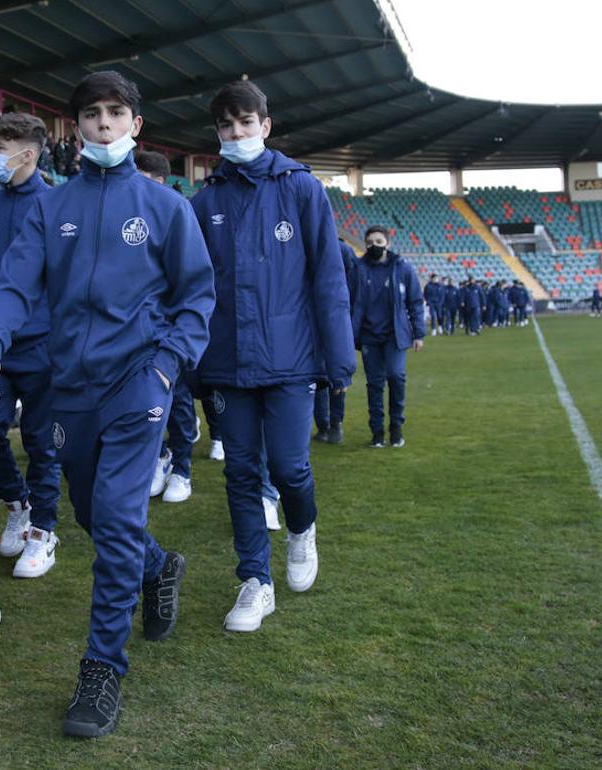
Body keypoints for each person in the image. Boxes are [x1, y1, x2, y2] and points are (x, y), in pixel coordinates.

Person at [0, 71, 214, 738]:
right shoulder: (50, 207)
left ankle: (101, 671)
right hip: (69, 388)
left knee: (111, 518)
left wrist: (166, 367)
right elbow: (14, 286)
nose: (104, 124)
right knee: (88, 511)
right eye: (92, 115)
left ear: (136, 124)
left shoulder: (167, 209)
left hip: (140, 384)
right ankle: (159, 566)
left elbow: (197, 298)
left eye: (116, 113)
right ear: (74, 128)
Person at [189, 80, 353, 635]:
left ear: (266, 125)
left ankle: (302, 532)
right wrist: (193, 361)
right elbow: (192, 288)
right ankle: (255, 582)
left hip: (291, 360)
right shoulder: (205, 199)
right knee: (240, 472)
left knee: (290, 467)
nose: (236, 134)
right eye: (226, 126)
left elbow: (328, 279)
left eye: (245, 123)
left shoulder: (303, 190)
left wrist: (338, 360)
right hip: (227, 363)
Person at [0, 112, 63, 577]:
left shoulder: (57, 205)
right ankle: (17, 504)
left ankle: (44, 532)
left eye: (0, 146)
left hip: (44, 346)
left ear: (28, 154)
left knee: (42, 443)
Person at [135, 148, 201, 503]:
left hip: (170, 331)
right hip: (135, 333)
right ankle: (160, 458)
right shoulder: (125, 213)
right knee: (142, 404)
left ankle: (183, 469)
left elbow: (190, 280)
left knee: (177, 401)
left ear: (160, 181)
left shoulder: (178, 213)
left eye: (144, 179)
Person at [349, 225, 425, 448]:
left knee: (396, 377)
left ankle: (396, 428)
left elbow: (415, 302)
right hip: (369, 336)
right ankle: (377, 432)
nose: (374, 246)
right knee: (374, 384)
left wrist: (419, 333)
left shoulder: (402, 268)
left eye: (378, 242)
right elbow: (350, 303)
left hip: (395, 336)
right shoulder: (358, 269)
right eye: (370, 242)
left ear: (387, 244)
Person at [315, 237, 356, 445]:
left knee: (323, 375)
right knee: (332, 372)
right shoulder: (344, 250)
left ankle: (327, 425)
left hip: (319, 317)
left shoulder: (339, 249)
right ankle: (332, 423)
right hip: (334, 315)